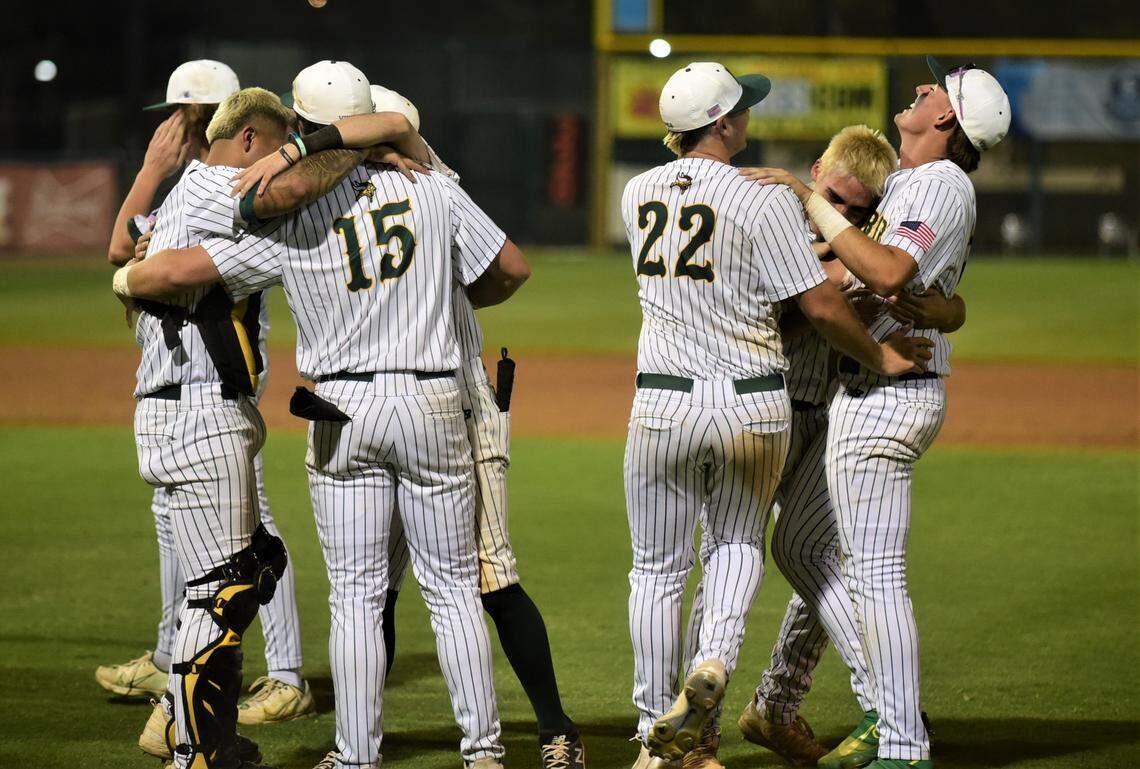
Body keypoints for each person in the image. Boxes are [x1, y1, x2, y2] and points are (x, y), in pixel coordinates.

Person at [113, 59, 530, 769]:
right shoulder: (433, 188)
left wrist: (129, 273)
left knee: (359, 596)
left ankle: (355, 754)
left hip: (342, 407)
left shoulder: (290, 215)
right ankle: (484, 751)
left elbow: (178, 271)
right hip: (432, 398)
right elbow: (510, 269)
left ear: (300, 126)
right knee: (453, 587)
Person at [620, 62, 932, 769]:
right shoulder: (762, 200)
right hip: (756, 403)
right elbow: (814, 302)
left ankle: (674, 731)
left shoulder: (637, 192)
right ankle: (708, 694)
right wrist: (864, 321)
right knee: (736, 548)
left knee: (663, 567)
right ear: (726, 123)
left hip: (672, 399)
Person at [742, 56, 1011, 769]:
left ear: (947, 117)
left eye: (934, 89)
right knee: (804, 553)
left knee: (867, 573)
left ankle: (897, 732)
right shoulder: (911, 185)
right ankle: (849, 711)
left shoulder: (934, 183)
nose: (921, 88)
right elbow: (889, 281)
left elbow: (889, 273)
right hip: (819, 399)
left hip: (872, 397)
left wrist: (813, 204)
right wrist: (947, 305)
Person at [367, 84, 587, 769]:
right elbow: (510, 270)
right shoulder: (401, 193)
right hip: (431, 410)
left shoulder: (422, 187)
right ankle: (361, 740)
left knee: (470, 576)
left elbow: (510, 266)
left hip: (441, 411)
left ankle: (555, 727)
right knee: (384, 587)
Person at [100, 59, 315, 729]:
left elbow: (131, 263)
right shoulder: (192, 189)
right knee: (198, 545)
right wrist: (149, 173)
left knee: (248, 546)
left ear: (227, 123)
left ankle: (279, 674)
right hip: (182, 392)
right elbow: (119, 248)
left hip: (218, 387)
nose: (175, 131)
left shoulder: (225, 185)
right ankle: (178, 668)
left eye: (188, 118)